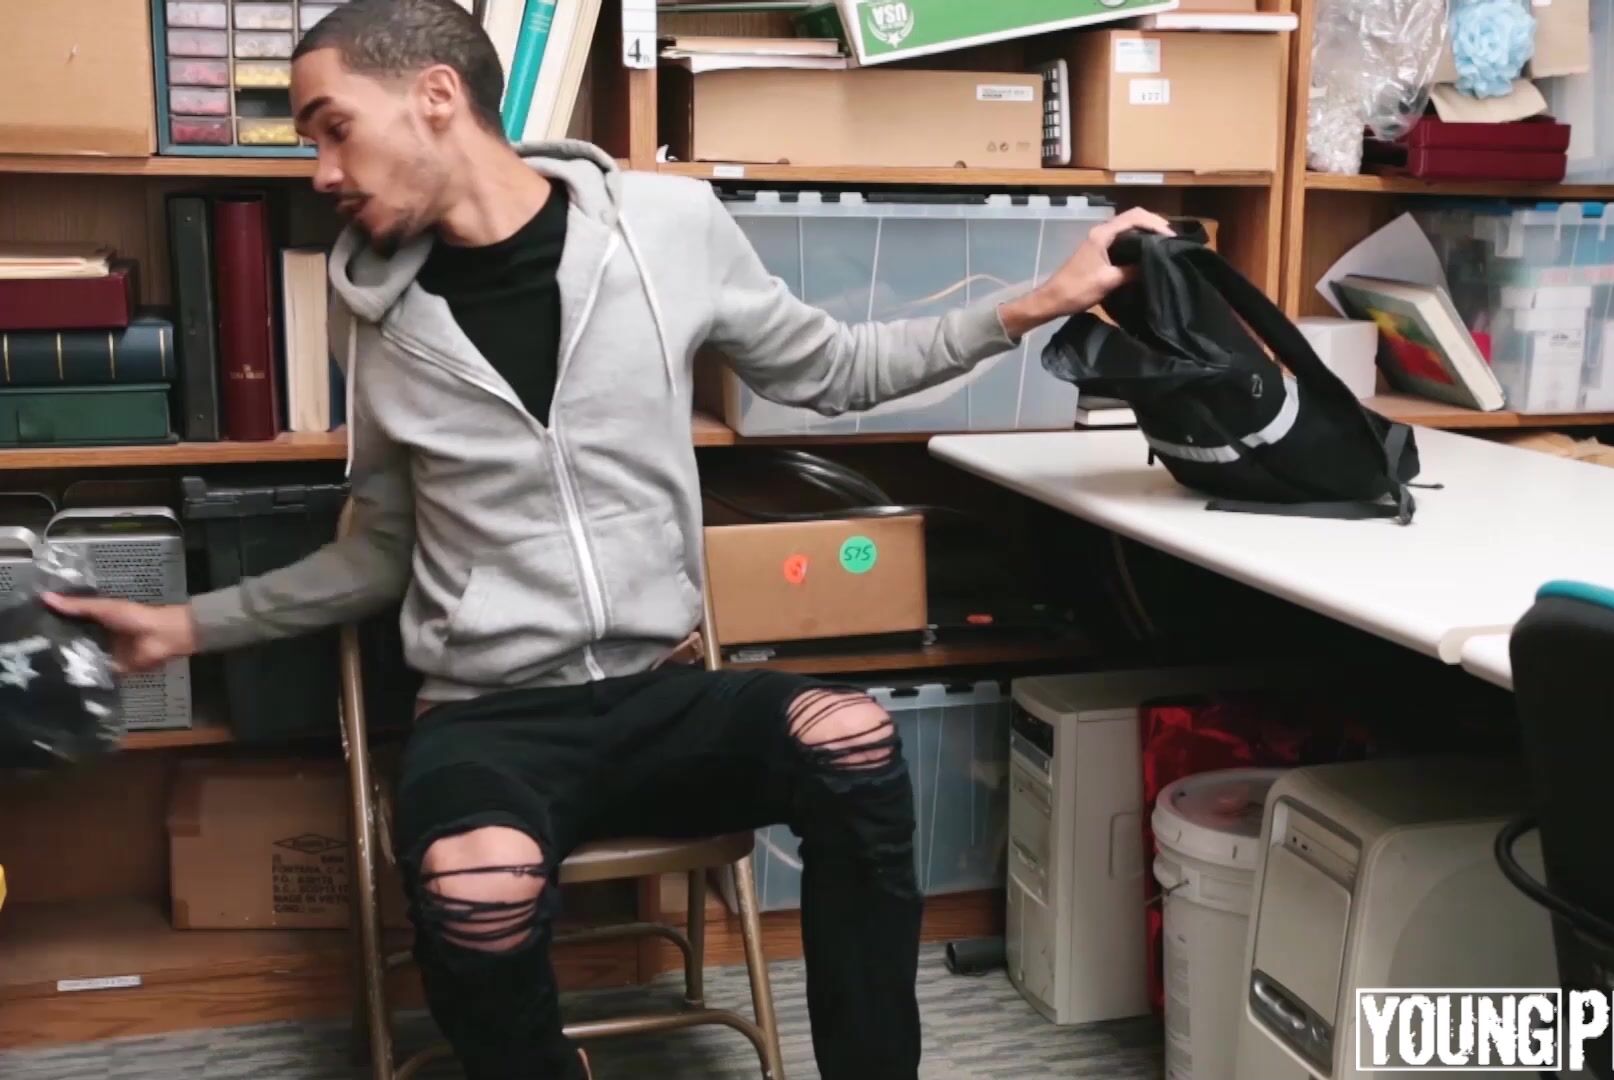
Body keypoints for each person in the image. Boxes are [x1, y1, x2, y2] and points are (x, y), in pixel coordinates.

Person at [47, 1, 1171, 1077]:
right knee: (476, 889)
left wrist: (1041, 299)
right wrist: (184, 626)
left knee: (853, 739)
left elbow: (836, 370)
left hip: (663, 690)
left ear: (435, 96)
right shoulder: (379, 319)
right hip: (487, 719)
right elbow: (379, 551)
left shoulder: (667, 227)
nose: (322, 172)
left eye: (332, 128)